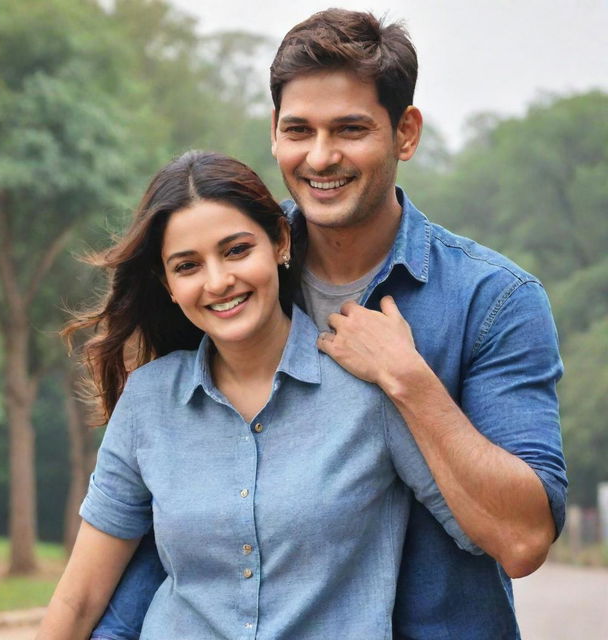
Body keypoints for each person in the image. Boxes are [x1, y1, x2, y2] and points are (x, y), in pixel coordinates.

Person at [90, 9, 567, 640]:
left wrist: (409, 381)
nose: (320, 156)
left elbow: (524, 538)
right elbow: (157, 514)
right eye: (299, 130)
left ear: (405, 133)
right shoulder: (232, 274)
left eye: (350, 128)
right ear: (274, 133)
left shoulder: (495, 300)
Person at [37, 150, 476, 639]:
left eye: (236, 250)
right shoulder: (148, 399)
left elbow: (480, 531)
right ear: (168, 284)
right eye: (187, 266)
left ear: (280, 241)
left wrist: (413, 382)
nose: (219, 281)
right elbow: (79, 599)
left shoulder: (367, 384)